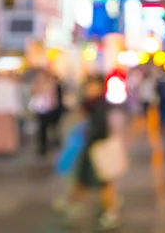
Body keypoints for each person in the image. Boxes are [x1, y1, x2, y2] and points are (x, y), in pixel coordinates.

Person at [69, 75, 121, 230]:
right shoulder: (93, 104)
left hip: (97, 150)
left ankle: (111, 212)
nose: (88, 89)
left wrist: (87, 135)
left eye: (92, 86)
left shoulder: (98, 105)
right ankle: (72, 205)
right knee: (85, 181)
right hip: (92, 150)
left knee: (103, 182)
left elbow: (100, 130)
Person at [30, 70, 59, 157]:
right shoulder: (37, 84)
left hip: (47, 107)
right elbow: (34, 92)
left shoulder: (50, 83)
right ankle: (43, 145)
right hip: (40, 108)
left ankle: (47, 144)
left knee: (46, 127)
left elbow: (53, 95)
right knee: (42, 127)